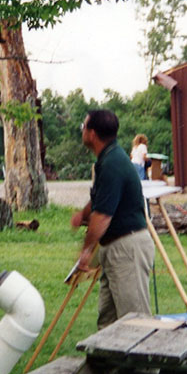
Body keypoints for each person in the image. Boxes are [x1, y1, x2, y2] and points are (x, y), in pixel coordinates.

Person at [70, 110, 155, 330]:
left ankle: (146, 366)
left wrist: (86, 252)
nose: (82, 131)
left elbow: (102, 217)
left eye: (84, 126)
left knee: (136, 322)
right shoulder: (107, 159)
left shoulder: (112, 164)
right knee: (108, 322)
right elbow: (99, 201)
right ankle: (109, 365)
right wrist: (83, 215)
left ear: (93, 133)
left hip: (127, 248)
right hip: (115, 249)